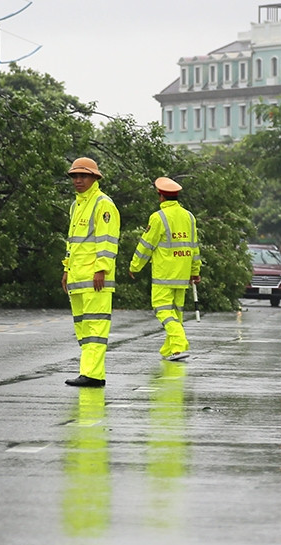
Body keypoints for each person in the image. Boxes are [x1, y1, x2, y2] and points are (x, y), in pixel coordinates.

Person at [129, 176, 201, 361]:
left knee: (162, 309)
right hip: (182, 275)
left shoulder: (158, 217)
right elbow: (194, 247)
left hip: (164, 275)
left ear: (161, 196)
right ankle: (169, 350)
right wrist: (195, 271)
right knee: (176, 313)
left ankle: (178, 345)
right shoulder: (189, 217)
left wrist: (135, 266)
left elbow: (146, 245)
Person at [62, 157, 119, 388]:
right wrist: (66, 270)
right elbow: (72, 242)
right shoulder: (76, 205)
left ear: (95, 178)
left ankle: (92, 375)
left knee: (95, 328)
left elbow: (108, 240)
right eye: (75, 176)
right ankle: (90, 372)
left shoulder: (102, 203)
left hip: (96, 279)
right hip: (77, 278)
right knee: (83, 329)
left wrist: (102, 269)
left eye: (83, 175)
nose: (78, 180)